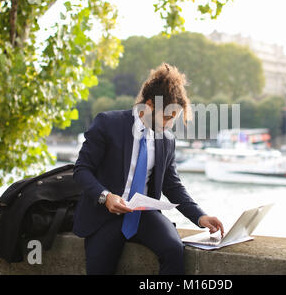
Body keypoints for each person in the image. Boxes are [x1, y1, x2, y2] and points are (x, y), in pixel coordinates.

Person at [72, 62, 224, 275]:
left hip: (144, 215)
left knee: (174, 251)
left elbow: (172, 186)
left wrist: (199, 217)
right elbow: (81, 170)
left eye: (174, 119)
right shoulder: (108, 123)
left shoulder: (166, 140)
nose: (170, 125)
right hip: (104, 215)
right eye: (167, 117)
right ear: (150, 105)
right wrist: (105, 197)